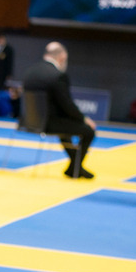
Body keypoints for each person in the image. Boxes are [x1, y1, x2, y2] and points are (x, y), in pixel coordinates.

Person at [21, 42, 96, 179]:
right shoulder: (57, 75)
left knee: (65, 130)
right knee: (88, 131)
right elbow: (66, 105)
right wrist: (84, 119)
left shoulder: (30, 72)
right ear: (62, 57)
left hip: (28, 122)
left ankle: (75, 166)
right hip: (48, 124)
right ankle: (75, 167)